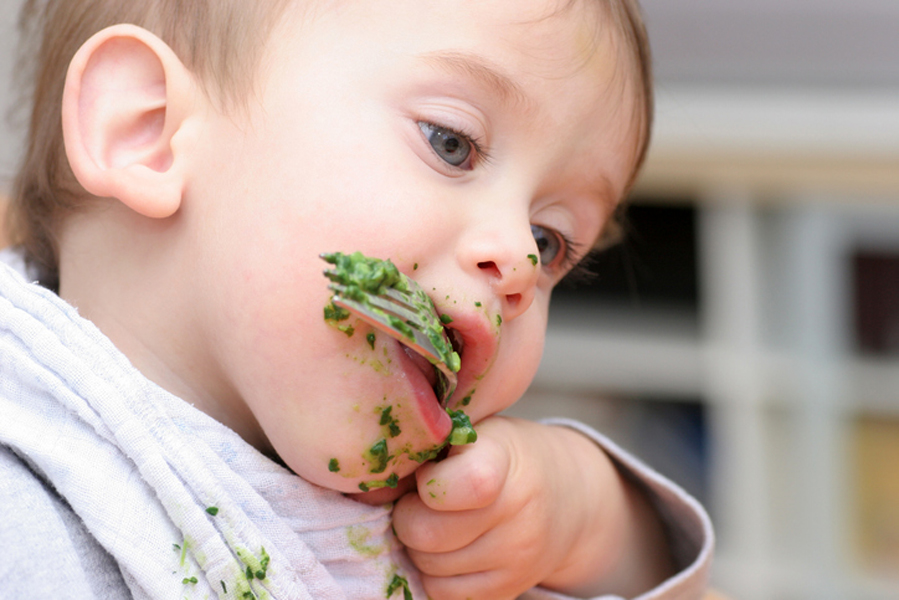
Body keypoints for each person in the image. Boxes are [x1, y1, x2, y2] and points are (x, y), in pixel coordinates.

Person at [0, 0, 713, 599]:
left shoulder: (449, 522)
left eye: (552, 238)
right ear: (147, 130)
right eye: (452, 144)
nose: (522, 261)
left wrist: (590, 526)